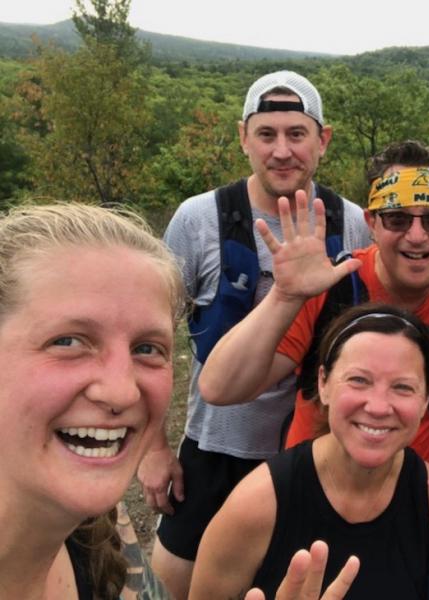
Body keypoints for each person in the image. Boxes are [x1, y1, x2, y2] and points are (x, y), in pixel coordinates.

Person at [0, 202, 360, 600]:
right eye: (67, 342)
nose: (122, 390)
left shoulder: (97, 532)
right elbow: (220, 386)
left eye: (147, 348)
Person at [137, 70, 371, 599]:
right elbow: (151, 341)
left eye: (297, 133)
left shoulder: (350, 223)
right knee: (179, 587)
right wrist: (151, 449)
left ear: (323, 140)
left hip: (314, 454)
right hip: (216, 445)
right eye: (266, 134)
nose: (282, 150)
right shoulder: (199, 220)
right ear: (243, 137)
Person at [199, 139, 429, 473]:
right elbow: (220, 388)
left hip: (419, 512)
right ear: (371, 223)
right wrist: (285, 296)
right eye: (397, 219)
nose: (417, 235)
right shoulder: (329, 290)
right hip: (313, 503)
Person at [190, 303, 429, 599]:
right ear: (323, 384)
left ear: (425, 401)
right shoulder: (258, 505)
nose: (379, 406)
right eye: (359, 380)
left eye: (402, 387)